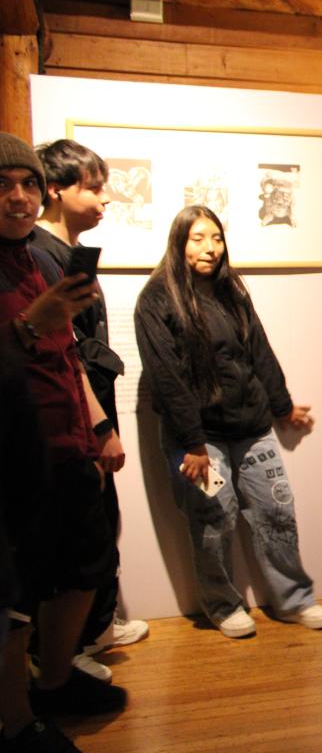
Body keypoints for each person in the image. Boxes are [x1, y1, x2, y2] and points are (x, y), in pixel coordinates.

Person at [134, 205, 322, 639]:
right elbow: (166, 377)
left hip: (252, 425)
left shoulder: (231, 291)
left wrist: (282, 406)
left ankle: (294, 599)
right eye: (198, 238)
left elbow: (258, 349)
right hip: (198, 438)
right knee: (212, 519)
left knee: (277, 511)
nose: (210, 248)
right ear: (179, 243)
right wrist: (191, 443)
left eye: (217, 238)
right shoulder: (156, 299)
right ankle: (222, 606)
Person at [1, 131, 127, 751]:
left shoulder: (32, 257)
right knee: (16, 596)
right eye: (4, 186)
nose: (19, 197)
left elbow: (69, 354)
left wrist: (98, 427)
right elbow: (30, 339)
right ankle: (20, 721)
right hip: (15, 456)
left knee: (86, 565)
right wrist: (29, 326)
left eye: (27, 184)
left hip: (68, 442)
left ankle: (52, 682)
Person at [32, 139, 148, 683]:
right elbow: (64, 350)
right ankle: (67, 650)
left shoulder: (61, 251)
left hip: (90, 405)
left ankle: (95, 630)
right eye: (92, 187)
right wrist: (100, 426)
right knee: (80, 530)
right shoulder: (39, 253)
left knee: (102, 519)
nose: (105, 198)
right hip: (72, 418)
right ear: (56, 188)